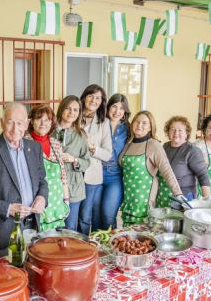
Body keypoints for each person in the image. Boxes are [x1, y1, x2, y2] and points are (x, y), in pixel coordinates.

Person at [0, 102, 48, 259]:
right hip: (2, 232)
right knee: (3, 280)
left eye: (20, 123)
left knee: (28, 274)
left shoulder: (34, 149)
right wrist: (8, 209)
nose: (15, 128)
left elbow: (42, 181)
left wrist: (42, 198)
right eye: (10, 122)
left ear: (27, 124)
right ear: (1, 122)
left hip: (31, 227)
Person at [118, 111, 183, 225]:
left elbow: (166, 170)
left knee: (141, 232)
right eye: (137, 122)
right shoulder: (128, 144)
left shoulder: (154, 145)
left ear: (150, 128)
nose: (139, 125)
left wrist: (178, 194)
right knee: (127, 232)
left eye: (144, 123)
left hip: (144, 196)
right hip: (128, 195)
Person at [26, 105, 70, 231]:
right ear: (32, 121)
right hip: (37, 202)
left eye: (47, 120)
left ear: (52, 123)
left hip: (57, 203)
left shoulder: (55, 143)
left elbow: (63, 174)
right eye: (39, 119)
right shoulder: (25, 143)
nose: (43, 123)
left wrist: (66, 200)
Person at [53, 96, 91, 231]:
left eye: (75, 110)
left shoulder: (81, 135)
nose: (71, 112)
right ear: (61, 109)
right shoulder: (50, 131)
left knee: (69, 228)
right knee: (53, 226)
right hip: (53, 188)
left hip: (74, 188)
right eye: (68, 108)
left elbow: (87, 162)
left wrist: (73, 159)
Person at [155, 116, 211, 207]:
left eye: (180, 130)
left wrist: (207, 202)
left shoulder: (192, 150)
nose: (176, 133)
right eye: (172, 129)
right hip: (162, 196)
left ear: (186, 133)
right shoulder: (165, 147)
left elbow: (203, 176)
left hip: (183, 198)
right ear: (168, 132)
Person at [78, 84, 112, 233]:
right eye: (91, 96)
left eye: (98, 98)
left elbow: (107, 154)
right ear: (85, 97)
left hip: (91, 175)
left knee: (85, 216)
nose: (93, 100)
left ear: (102, 101)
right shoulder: (74, 115)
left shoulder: (104, 122)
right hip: (72, 172)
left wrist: (94, 149)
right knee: (70, 215)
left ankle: (83, 250)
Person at [99, 94, 130, 230]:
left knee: (108, 216)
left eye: (121, 108)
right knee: (95, 216)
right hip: (95, 174)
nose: (117, 111)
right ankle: (98, 248)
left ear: (125, 112)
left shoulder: (128, 129)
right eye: (114, 106)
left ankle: (112, 247)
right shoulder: (98, 124)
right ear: (108, 107)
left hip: (115, 176)